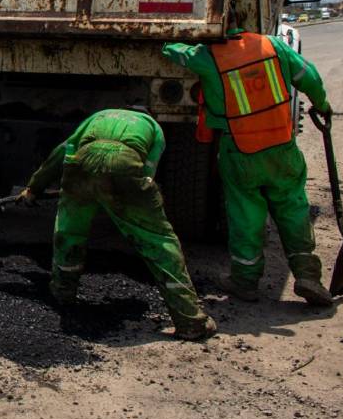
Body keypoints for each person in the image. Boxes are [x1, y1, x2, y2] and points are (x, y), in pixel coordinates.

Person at [163, 30, 334, 306]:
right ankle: (308, 276)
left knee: (246, 214)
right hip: (281, 148)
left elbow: (175, 51)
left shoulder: (208, 56)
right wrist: (322, 104)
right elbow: (309, 77)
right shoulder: (273, 45)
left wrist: (169, 40)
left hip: (240, 151)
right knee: (293, 208)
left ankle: (245, 281)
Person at [20, 108, 217, 341]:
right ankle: (190, 321)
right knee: (159, 240)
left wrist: (33, 189)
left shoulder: (97, 117)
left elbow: (61, 152)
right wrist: (134, 199)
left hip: (81, 166)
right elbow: (147, 171)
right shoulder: (154, 128)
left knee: (69, 231)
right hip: (125, 165)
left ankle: (63, 293)